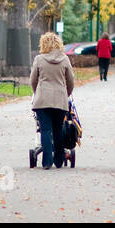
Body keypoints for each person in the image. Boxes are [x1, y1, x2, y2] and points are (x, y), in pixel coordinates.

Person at [30, 32, 75, 168]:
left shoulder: (39, 59)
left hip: (42, 100)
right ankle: (59, 160)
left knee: (44, 130)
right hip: (60, 100)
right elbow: (71, 80)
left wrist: (37, 93)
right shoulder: (65, 59)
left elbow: (33, 80)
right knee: (58, 129)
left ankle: (47, 162)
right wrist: (66, 94)